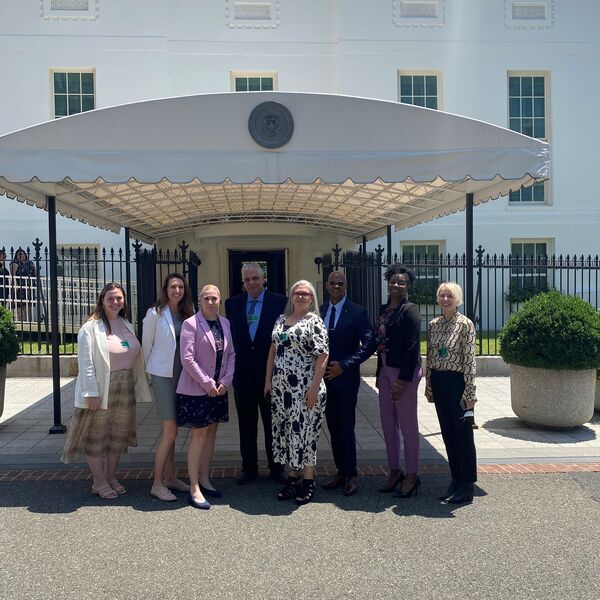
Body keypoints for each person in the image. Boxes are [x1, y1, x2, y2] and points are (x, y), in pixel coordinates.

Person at [62, 282, 152, 499]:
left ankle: (111, 477)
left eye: (119, 298)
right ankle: (99, 481)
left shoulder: (126, 323)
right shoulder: (90, 328)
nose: (115, 302)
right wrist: (91, 393)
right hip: (102, 388)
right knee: (95, 437)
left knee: (116, 436)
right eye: (110, 298)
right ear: (102, 300)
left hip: (125, 387)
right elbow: (86, 364)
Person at [265, 280, 329, 505]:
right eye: (297, 293)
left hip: (305, 389)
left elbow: (323, 356)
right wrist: (268, 381)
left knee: (306, 433)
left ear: (312, 298)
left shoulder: (315, 322)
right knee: (287, 432)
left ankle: (308, 481)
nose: (301, 296)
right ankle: (292, 479)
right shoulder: (281, 320)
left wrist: (313, 388)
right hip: (282, 390)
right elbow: (273, 349)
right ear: (291, 296)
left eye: (306, 294)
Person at [225, 262, 287, 485]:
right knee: (246, 424)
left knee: (273, 424)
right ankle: (249, 468)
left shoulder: (280, 302)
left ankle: (276, 468)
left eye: (255, 279)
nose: (251, 283)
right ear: (242, 283)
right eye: (247, 280)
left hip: (271, 375)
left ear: (264, 279)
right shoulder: (232, 304)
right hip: (243, 375)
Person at [176, 284, 235, 510]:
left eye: (215, 298)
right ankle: (194, 487)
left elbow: (231, 354)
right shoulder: (191, 324)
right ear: (200, 301)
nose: (211, 302)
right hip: (197, 390)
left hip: (219, 390)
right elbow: (187, 359)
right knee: (199, 436)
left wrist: (225, 381)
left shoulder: (225, 323)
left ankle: (205, 478)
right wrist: (208, 383)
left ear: (220, 301)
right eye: (207, 298)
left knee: (211, 434)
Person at [320, 271, 376, 496]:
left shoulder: (357, 312)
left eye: (340, 283)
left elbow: (369, 343)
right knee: (332, 427)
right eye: (332, 283)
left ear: (346, 287)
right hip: (323, 380)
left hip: (345, 379)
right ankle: (340, 471)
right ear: (326, 285)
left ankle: (351, 474)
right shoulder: (320, 310)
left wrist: (344, 365)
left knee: (346, 427)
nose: (336, 286)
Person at [142, 273, 195, 502]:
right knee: (170, 431)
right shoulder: (155, 314)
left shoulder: (187, 313)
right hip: (163, 377)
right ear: (165, 289)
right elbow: (147, 346)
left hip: (182, 378)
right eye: (173, 286)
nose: (177, 290)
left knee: (173, 432)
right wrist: (148, 377)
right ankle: (157, 483)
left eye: (181, 287)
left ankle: (171, 477)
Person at [426, 282, 477, 504]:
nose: (445, 299)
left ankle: (467, 484)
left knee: (463, 435)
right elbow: (429, 356)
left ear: (457, 299)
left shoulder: (465, 324)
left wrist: (470, 394)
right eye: (442, 295)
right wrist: (429, 386)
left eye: (450, 296)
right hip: (439, 380)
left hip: (457, 383)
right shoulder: (433, 324)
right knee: (448, 434)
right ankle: (455, 478)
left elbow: (470, 362)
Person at [376, 264, 423, 498]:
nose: (396, 285)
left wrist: (402, 382)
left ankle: (412, 475)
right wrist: (379, 374)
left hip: (404, 374)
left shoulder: (411, 310)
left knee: (408, 426)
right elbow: (380, 343)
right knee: (387, 425)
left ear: (407, 286)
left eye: (401, 282)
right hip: (385, 370)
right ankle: (395, 471)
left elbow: (413, 347)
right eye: (393, 281)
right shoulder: (383, 309)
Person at [10, 248, 35, 321]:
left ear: (25, 254)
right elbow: (13, 274)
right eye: (18, 254)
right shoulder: (15, 263)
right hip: (19, 286)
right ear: (16, 255)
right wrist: (15, 284)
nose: (20, 255)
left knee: (28, 304)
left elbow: (34, 273)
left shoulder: (30, 263)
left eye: (22, 254)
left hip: (29, 286)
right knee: (19, 303)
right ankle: (21, 320)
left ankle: (28, 320)